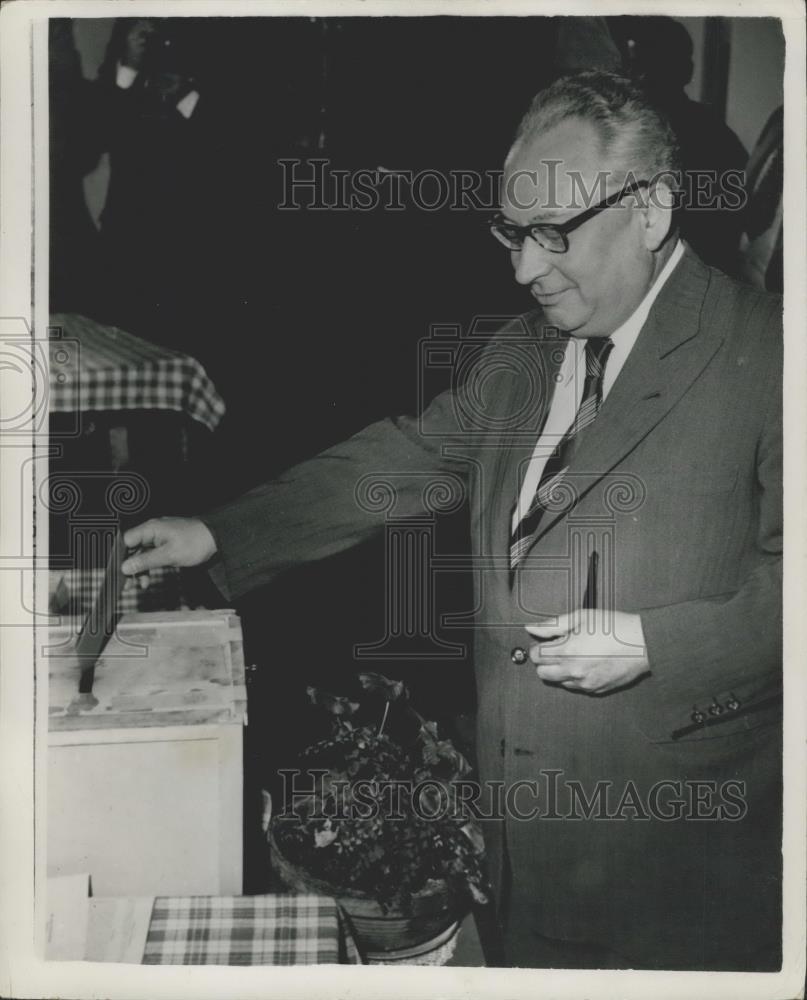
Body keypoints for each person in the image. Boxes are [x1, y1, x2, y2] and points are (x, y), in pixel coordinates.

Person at [121, 71, 782, 971]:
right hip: (519, 843)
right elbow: (407, 458)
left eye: (552, 233)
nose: (523, 269)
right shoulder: (525, 350)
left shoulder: (772, 352)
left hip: (675, 865)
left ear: (651, 209)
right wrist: (218, 532)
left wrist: (657, 643)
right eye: (510, 232)